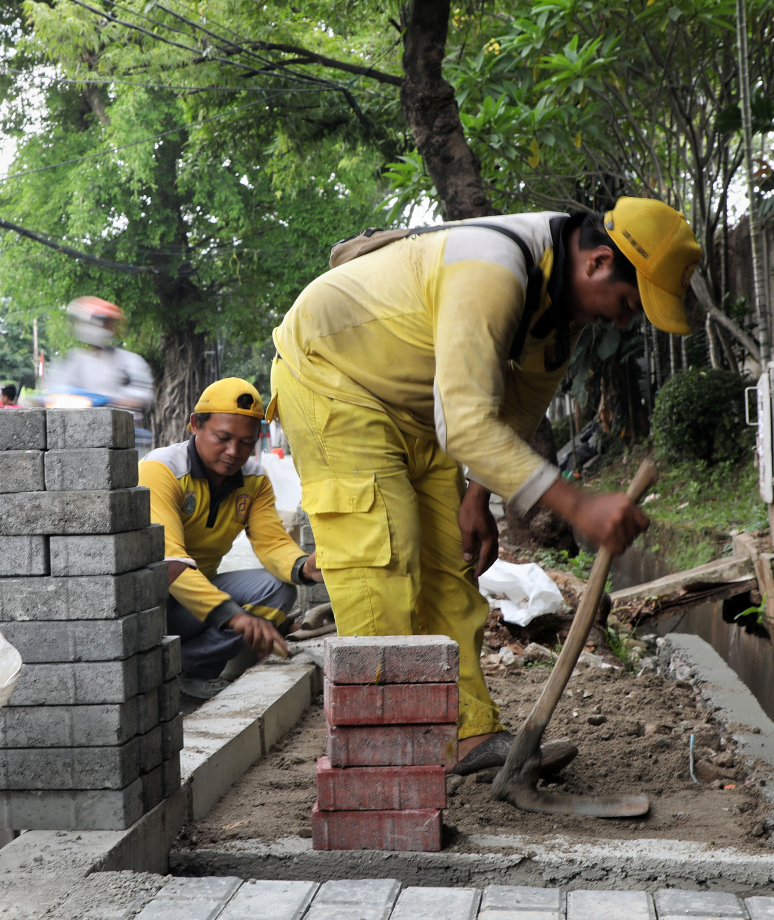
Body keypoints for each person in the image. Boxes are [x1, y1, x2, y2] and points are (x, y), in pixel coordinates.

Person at [269, 197, 702, 776]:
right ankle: (382, 757)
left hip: (419, 404)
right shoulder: (494, 269)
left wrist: (478, 495)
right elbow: (468, 422)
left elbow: (516, 409)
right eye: (628, 303)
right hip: (333, 377)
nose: (624, 321)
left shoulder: (559, 312)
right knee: (383, 561)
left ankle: (467, 735)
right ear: (599, 262)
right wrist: (578, 505)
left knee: (451, 567)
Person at [139, 378, 324, 699]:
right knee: (239, 615)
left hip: (198, 601)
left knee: (280, 590)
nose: (233, 451)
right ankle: (167, 664)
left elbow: (271, 542)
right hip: (149, 607)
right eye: (222, 438)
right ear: (195, 424)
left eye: (246, 442)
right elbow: (169, 564)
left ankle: (188, 667)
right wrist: (234, 616)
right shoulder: (161, 470)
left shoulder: (254, 479)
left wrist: (305, 566)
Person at [50, 297, 155, 447]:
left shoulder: (131, 361)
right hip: (83, 435)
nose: (107, 327)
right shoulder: (74, 361)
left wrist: (107, 400)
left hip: (127, 435)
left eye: (108, 323)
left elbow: (142, 397)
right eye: (103, 322)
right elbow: (58, 392)